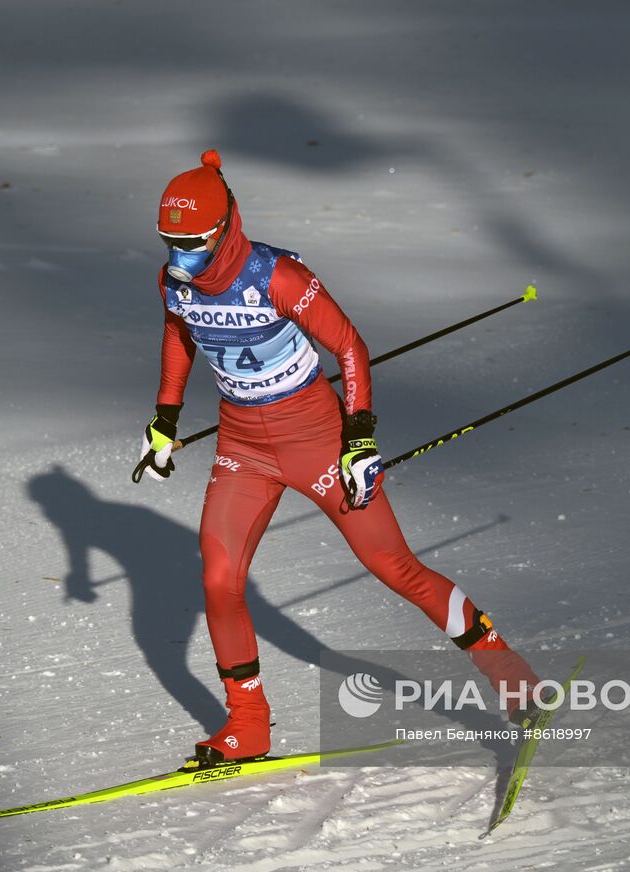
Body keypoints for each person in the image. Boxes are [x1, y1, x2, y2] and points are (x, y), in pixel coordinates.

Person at [137, 149, 543, 764]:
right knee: (219, 580)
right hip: (243, 445)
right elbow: (177, 336)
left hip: (316, 438)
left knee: (393, 566)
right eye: (170, 243)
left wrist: (359, 439)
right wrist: (164, 421)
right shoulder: (173, 282)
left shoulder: (277, 276)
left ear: (225, 230)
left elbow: (350, 347)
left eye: (192, 243)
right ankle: (248, 724)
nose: (179, 258)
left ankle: (514, 679)